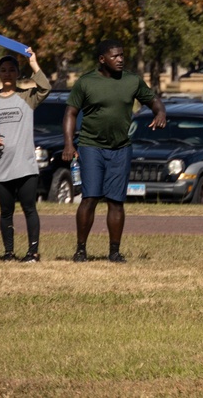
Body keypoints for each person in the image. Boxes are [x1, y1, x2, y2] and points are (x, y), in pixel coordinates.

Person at [63, 39, 166, 263]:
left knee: (116, 201)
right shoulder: (86, 82)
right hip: (91, 146)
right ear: (102, 59)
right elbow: (71, 113)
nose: (120, 59)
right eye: (115, 56)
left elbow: (154, 101)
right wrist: (69, 144)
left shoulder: (132, 81)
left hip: (121, 148)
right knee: (90, 197)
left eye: (122, 55)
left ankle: (114, 251)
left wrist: (160, 114)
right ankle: (81, 249)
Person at [0, 49, 51, 262]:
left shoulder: (27, 96)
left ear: (18, 73)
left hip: (25, 164)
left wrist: (34, 64)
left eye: (12, 70)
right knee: (5, 211)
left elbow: (46, 87)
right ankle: (8, 253)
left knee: (29, 208)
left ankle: (33, 252)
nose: (7, 73)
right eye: (3, 70)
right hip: (1, 164)